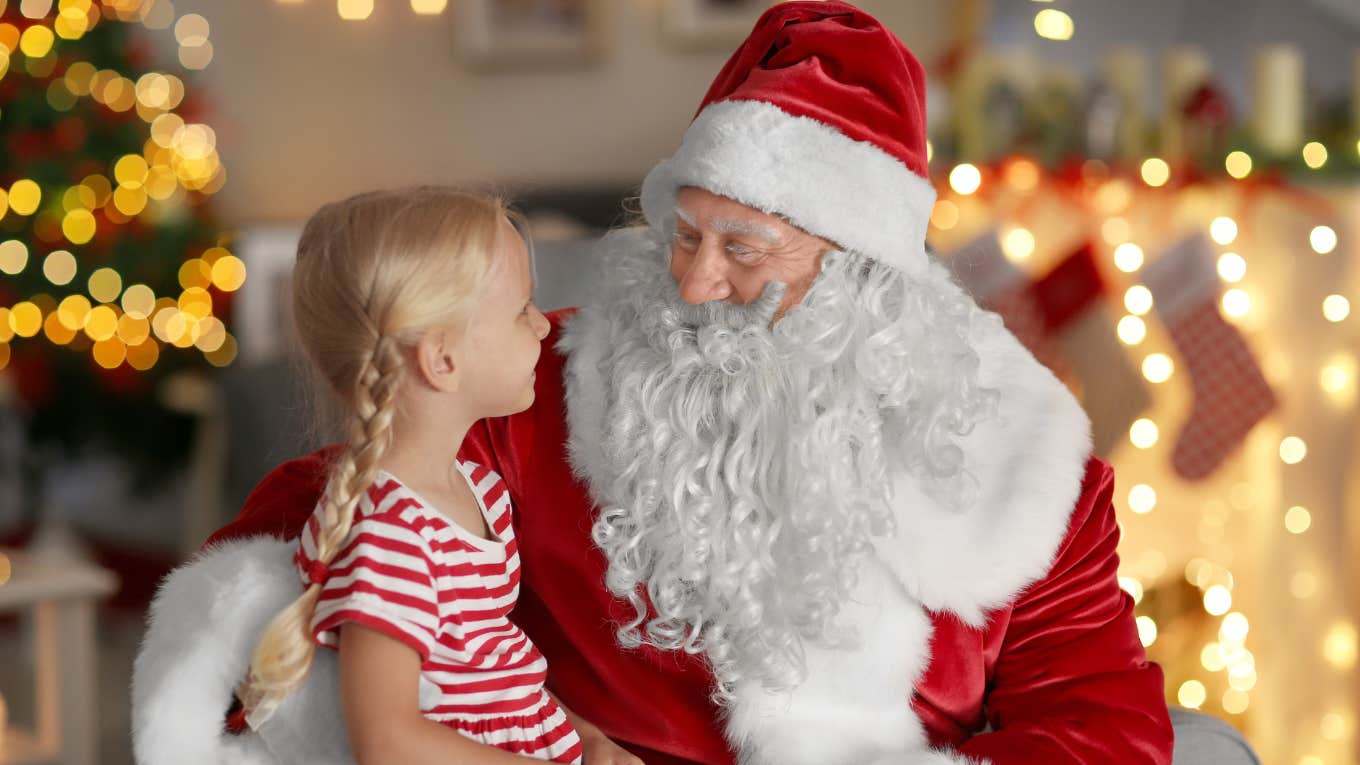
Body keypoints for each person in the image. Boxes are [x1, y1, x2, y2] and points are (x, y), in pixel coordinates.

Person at [135, 4, 1189, 764]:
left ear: (860, 271)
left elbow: (1097, 723)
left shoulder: (1026, 477)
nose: (691, 281)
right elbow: (341, 497)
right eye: (681, 234)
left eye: (742, 247)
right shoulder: (546, 379)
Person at [218, 187, 637, 765]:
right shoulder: (390, 535)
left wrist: (588, 740)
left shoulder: (477, 490)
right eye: (522, 310)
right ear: (443, 360)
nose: (544, 328)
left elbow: (496, 673)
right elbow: (388, 744)